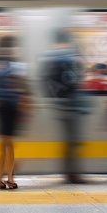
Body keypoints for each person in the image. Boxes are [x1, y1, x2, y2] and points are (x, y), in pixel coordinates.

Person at [41, 28, 86, 184]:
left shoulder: (47, 55)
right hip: (71, 103)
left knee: (70, 139)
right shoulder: (69, 56)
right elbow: (75, 78)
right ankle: (72, 174)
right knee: (74, 139)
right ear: (68, 39)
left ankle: (70, 172)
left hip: (57, 102)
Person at [0, 35, 30, 190]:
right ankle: (9, 178)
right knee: (9, 143)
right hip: (12, 107)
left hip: (0, 107)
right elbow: (24, 87)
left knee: (3, 142)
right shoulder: (16, 64)